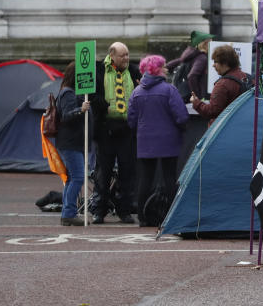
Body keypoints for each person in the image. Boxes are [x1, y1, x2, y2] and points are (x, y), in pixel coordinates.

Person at [127, 55, 189, 227]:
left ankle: (143, 217)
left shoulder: (136, 92)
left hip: (145, 140)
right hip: (169, 139)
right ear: (157, 70)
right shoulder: (169, 90)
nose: (166, 69)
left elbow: (131, 120)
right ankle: (172, 215)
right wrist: (179, 129)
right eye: (163, 67)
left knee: (145, 178)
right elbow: (181, 116)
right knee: (170, 177)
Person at [90, 42, 141, 224]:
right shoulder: (98, 71)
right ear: (112, 56)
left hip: (127, 128)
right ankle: (99, 210)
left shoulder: (134, 72)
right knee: (103, 172)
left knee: (127, 171)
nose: (126, 58)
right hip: (106, 128)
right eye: (122, 55)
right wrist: (104, 105)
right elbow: (91, 95)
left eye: (127, 54)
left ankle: (124, 209)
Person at [54, 62, 92, 227]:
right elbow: (66, 115)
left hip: (73, 141)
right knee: (77, 177)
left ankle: (67, 212)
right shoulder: (68, 93)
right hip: (70, 142)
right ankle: (69, 213)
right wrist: (80, 110)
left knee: (72, 178)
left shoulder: (70, 92)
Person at [191, 44, 250, 125]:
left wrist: (196, 103)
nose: (213, 65)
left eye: (216, 62)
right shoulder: (248, 78)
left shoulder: (222, 84)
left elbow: (212, 111)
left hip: (224, 130)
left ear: (225, 63)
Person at [166, 30, 213, 100]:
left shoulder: (191, 54)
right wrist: (197, 95)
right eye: (210, 43)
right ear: (205, 44)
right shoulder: (202, 58)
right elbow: (192, 76)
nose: (212, 46)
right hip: (191, 97)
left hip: (183, 93)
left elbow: (172, 63)